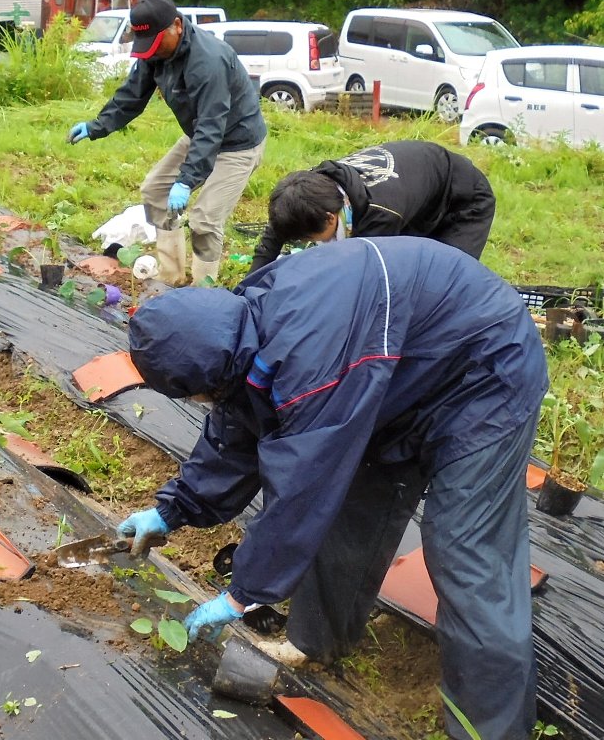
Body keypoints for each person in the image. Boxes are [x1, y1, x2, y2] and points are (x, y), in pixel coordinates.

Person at [119, 236, 547, 740]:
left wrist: (242, 595)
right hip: (395, 372)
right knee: (351, 512)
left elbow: (301, 488)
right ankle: (317, 642)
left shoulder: (309, 369)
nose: (197, 401)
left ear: (214, 373)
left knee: (466, 554)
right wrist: (174, 510)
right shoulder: (243, 329)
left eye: (193, 392)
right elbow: (237, 426)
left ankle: (494, 730)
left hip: (483, 371)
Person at [68, 0, 267, 286]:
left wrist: (186, 180)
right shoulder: (157, 52)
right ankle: (172, 277)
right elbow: (132, 95)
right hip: (199, 134)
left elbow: (212, 126)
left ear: (176, 25)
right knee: (155, 190)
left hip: (237, 143)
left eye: (156, 42)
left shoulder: (209, 61)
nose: (151, 50)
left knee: (204, 220)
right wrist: (96, 126)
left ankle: (202, 292)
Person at [247, 141, 495, 274]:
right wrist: (247, 293)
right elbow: (271, 240)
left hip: (463, 199)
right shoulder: (306, 190)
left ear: (330, 218)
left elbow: (363, 277)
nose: (310, 242)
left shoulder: (379, 214)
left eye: (311, 238)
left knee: (443, 276)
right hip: (418, 190)